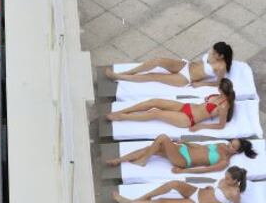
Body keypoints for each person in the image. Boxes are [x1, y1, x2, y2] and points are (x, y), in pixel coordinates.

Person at [106, 78, 235, 132]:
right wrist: (201, 84)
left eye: (219, 88)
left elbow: (221, 125)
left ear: (223, 91)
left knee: (155, 112)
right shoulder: (219, 95)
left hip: (188, 119)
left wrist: (200, 126)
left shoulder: (223, 107)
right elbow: (215, 85)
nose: (217, 88)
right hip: (187, 107)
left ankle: (122, 117)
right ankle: (124, 110)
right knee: (155, 101)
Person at [113, 166, 247, 203]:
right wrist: (212, 188)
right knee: (174, 183)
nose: (224, 179)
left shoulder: (235, 194)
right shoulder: (225, 180)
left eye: (228, 178)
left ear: (235, 181)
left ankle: (129, 202)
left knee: (162, 201)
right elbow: (218, 190)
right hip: (197, 191)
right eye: (225, 175)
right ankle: (144, 197)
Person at [106, 135, 257, 174]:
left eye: (233, 146)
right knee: (152, 146)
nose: (229, 144)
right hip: (183, 150)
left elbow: (204, 169)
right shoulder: (222, 145)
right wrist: (184, 142)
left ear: (236, 152)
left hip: (185, 160)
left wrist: (184, 170)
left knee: (162, 138)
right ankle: (119, 160)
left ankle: (143, 161)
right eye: (231, 142)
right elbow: (201, 147)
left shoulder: (224, 161)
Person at [105, 42, 233, 87]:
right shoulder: (213, 52)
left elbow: (217, 83)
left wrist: (200, 84)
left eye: (215, 53)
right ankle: (125, 72)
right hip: (186, 66)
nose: (212, 53)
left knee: (153, 76)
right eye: (213, 51)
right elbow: (202, 62)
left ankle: (119, 77)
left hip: (186, 78)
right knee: (158, 61)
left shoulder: (221, 67)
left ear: (221, 56)